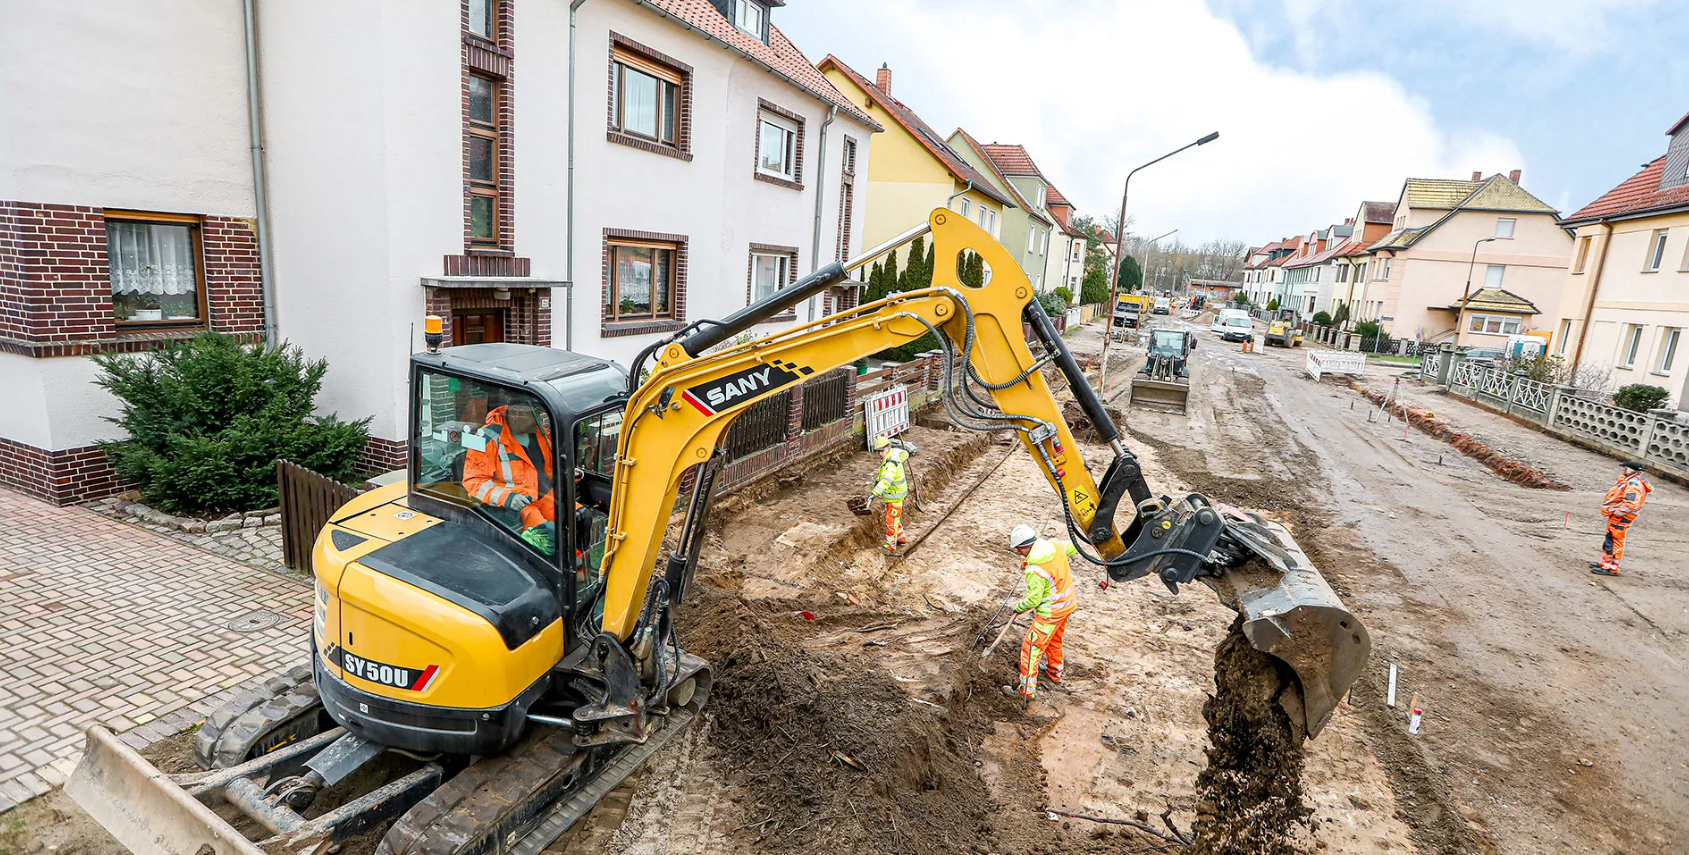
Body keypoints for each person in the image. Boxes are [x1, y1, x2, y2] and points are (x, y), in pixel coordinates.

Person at [464, 399, 558, 553]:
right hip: (517, 506)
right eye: (534, 416)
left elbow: (546, 468)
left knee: (579, 517)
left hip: (543, 495)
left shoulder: (538, 433)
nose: (538, 421)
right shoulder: (486, 439)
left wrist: (564, 474)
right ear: (516, 414)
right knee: (546, 536)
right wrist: (508, 498)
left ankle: (580, 566)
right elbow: (473, 481)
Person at [1007, 523, 1078, 700]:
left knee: (1031, 647)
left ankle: (1026, 691)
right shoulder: (1055, 545)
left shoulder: (1035, 569)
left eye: (1018, 549)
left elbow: (1033, 600)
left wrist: (1018, 607)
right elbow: (1074, 547)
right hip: (1067, 607)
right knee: (1054, 640)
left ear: (1025, 546)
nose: (1018, 553)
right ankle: (1055, 672)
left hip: (1051, 614)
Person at [1591, 460, 1651, 577]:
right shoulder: (1633, 481)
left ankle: (1611, 567)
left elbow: (1630, 503)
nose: (1623, 470)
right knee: (1610, 539)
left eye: (1625, 468)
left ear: (1629, 470)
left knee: (1614, 540)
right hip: (1619, 516)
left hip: (1620, 517)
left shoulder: (1633, 484)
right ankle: (1605, 563)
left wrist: (1617, 513)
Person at [869, 435, 909, 553]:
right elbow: (884, 476)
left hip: (894, 496)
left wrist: (875, 492)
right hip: (896, 494)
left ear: (888, 448)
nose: (880, 453)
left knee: (891, 520)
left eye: (881, 450)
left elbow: (887, 479)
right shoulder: (891, 457)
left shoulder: (891, 462)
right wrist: (878, 480)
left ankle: (890, 545)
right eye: (878, 451)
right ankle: (901, 538)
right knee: (895, 518)